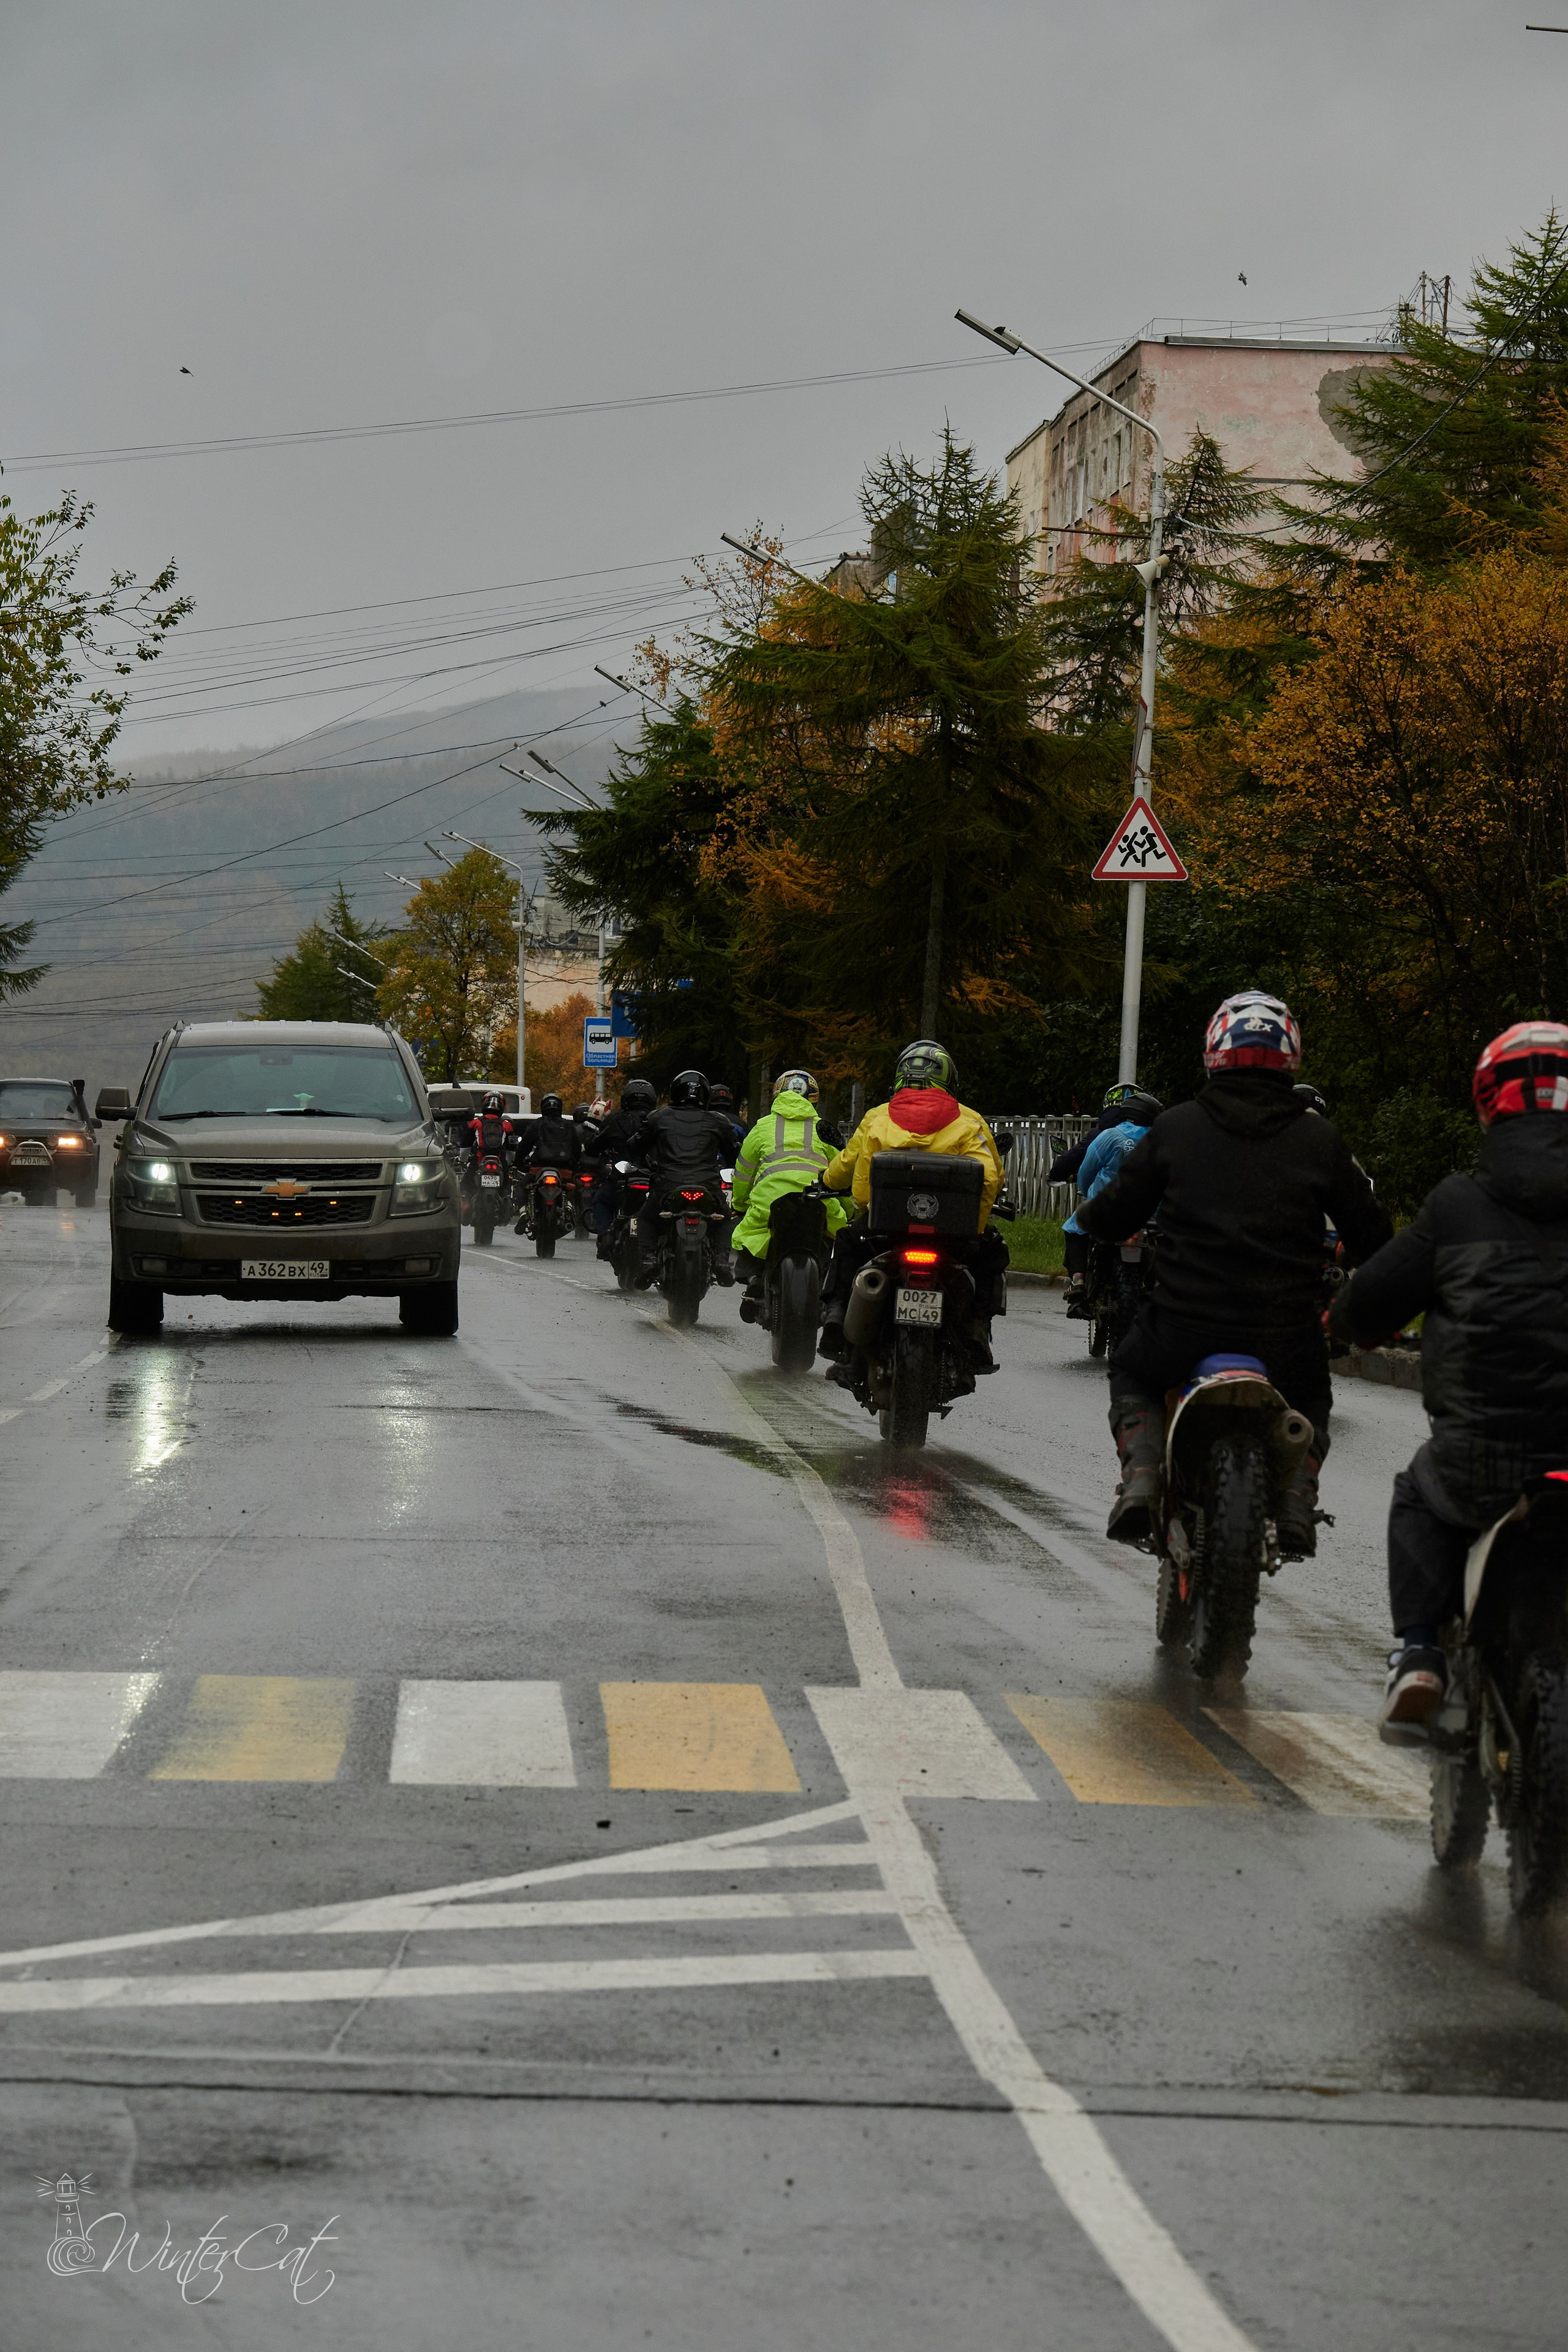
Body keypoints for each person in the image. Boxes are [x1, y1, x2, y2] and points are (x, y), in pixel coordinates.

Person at [1076, 992, 1392, 1556]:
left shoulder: (1175, 1129)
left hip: (1182, 1325)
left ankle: (1144, 1475)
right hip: (1284, 1335)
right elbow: (1372, 1237)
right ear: (1290, 1056)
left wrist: (1094, 1221)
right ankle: (1296, 1497)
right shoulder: (1319, 1138)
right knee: (1312, 1402)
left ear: (1214, 1052)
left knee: (1131, 1371)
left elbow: (1112, 1215)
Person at [1330, 1020, 1568, 1727]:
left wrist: (1348, 1326)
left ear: (1486, 1102)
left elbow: (1367, 1305)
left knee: (1416, 1495)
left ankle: (1420, 1655)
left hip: (1482, 1460)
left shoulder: (1458, 1204)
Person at [818, 1039, 1006, 1370]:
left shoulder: (877, 1117)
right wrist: (974, 1226)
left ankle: (835, 1321)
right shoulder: (970, 1121)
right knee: (993, 1253)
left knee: (847, 1243)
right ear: (949, 1079)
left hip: (883, 1229)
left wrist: (829, 1184)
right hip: (951, 1236)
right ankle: (978, 1331)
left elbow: (850, 1167)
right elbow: (990, 1178)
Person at [730, 1071, 848, 1322]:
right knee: (832, 1241)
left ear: (777, 1095)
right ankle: (826, 1286)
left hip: (770, 1204)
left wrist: (740, 1205)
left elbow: (743, 1174)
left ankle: (755, 1279)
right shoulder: (824, 1129)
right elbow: (843, 1173)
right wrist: (850, 1208)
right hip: (819, 1201)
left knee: (749, 1235)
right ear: (814, 1098)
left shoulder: (762, 1127)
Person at [634, 1069, 740, 1286]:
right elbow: (733, 1154)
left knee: (646, 1218)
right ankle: (721, 1260)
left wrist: (643, 1160)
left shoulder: (659, 1117)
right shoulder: (717, 1121)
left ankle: (649, 1258)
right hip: (707, 1186)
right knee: (724, 1217)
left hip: (667, 1185)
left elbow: (636, 1145)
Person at [1061, 1090, 1163, 1316]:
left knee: (1073, 1229)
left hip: (1107, 1208)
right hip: (1150, 1215)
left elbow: (1087, 1169)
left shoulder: (1111, 1135)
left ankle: (1078, 1280)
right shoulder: (1161, 1140)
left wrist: (1089, 1193)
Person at [590, 1076, 657, 1248]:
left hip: (622, 1179)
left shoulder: (616, 1120)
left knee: (601, 1202)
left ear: (626, 1098)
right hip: (653, 1178)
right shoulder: (660, 1120)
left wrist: (593, 1151)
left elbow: (596, 1144)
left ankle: (605, 1235)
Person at [513, 1091, 581, 1233]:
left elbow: (524, 1145)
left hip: (538, 1169)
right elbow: (576, 1148)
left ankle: (524, 1212)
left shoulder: (537, 1124)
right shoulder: (569, 1126)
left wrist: (519, 1162)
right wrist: (575, 1167)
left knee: (521, 1186)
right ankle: (568, 1206)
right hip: (564, 1172)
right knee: (575, 1187)